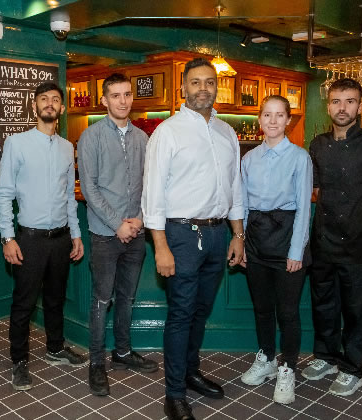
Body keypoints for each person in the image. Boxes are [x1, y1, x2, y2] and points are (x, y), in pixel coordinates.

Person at [142, 57, 245, 420]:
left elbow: (235, 187)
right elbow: (152, 194)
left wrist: (238, 234)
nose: (203, 88)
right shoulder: (167, 132)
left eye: (209, 82)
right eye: (196, 82)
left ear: (217, 87)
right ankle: (173, 394)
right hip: (181, 234)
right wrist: (160, 246)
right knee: (182, 314)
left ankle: (190, 371)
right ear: (182, 87)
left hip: (219, 234)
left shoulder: (227, 132)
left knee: (201, 311)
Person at [302, 78, 362, 396]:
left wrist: (361, 220)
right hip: (323, 241)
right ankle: (326, 357)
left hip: (358, 244)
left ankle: (353, 368)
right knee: (324, 304)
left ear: (360, 105)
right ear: (328, 106)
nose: (343, 108)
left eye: (350, 101)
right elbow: (315, 191)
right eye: (337, 101)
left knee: (355, 309)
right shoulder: (317, 145)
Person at [0, 82, 86, 392]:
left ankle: (55, 349)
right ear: (34, 107)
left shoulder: (66, 147)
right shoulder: (16, 143)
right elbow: (4, 193)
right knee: (23, 304)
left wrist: (75, 234)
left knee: (55, 299)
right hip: (29, 239)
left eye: (55, 100)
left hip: (60, 238)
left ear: (62, 108)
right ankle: (19, 361)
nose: (50, 104)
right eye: (44, 99)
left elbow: (69, 198)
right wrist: (8, 237)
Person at [78, 73, 158, 396]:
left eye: (127, 94)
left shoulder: (142, 139)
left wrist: (138, 219)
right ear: (104, 100)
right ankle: (96, 363)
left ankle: (122, 353)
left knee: (127, 296)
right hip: (105, 234)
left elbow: (148, 184)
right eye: (116, 95)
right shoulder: (91, 137)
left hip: (136, 232)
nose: (123, 101)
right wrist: (118, 224)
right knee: (102, 299)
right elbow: (89, 188)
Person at [238, 95, 312, 405]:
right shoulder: (249, 158)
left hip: (287, 239)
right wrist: (239, 242)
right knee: (262, 308)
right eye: (267, 115)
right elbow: (241, 205)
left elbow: (304, 208)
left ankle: (288, 368)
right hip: (255, 240)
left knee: (287, 311)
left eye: (279, 115)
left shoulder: (299, 158)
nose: (272, 121)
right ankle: (267, 358)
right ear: (259, 120)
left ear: (288, 120)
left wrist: (296, 251)